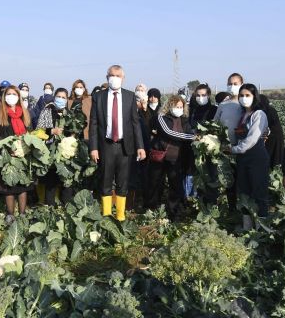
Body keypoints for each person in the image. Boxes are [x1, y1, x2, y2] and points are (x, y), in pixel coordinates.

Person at [89, 65, 146, 221]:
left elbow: (135, 123)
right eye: (111, 75)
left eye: (117, 75)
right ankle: (107, 216)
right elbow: (93, 123)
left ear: (123, 78)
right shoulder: (98, 96)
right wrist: (93, 147)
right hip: (106, 145)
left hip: (125, 145)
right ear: (107, 77)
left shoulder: (129, 96)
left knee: (123, 181)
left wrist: (140, 146)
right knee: (106, 181)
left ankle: (120, 216)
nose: (114, 78)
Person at [223, 84, 269, 230]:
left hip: (257, 158)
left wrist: (233, 149)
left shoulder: (259, 114)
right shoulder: (243, 115)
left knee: (258, 193)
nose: (244, 98)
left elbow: (252, 139)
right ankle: (247, 228)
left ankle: (262, 230)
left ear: (254, 97)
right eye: (242, 95)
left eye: (247, 95)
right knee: (244, 194)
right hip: (242, 159)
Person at [147, 95, 196, 219]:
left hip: (177, 158)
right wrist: (192, 137)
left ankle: (174, 212)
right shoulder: (161, 118)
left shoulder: (185, 120)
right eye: (176, 106)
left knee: (175, 185)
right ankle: (152, 208)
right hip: (161, 156)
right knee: (155, 182)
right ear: (169, 106)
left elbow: (190, 131)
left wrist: (195, 136)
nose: (178, 109)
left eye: (180, 107)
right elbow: (169, 133)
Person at [0, 85, 34, 223]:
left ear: (18, 97)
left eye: (14, 94)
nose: (11, 97)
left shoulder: (24, 113)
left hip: (23, 155)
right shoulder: (0, 113)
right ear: (4, 97)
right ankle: (10, 214)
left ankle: (22, 213)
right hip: (8, 154)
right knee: (9, 186)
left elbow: (30, 132)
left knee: (23, 185)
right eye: (9, 94)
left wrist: (26, 145)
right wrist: (9, 146)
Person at [37, 88, 78, 205]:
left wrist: (71, 138)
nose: (61, 99)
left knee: (67, 179)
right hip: (50, 150)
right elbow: (39, 131)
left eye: (63, 97)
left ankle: (66, 205)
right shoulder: (46, 111)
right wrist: (52, 131)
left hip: (65, 152)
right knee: (51, 181)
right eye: (58, 97)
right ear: (54, 97)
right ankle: (50, 205)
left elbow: (74, 130)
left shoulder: (70, 114)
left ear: (67, 100)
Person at [213, 73, 245, 210]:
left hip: (243, 148)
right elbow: (214, 124)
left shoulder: (246, 103)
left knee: (243, 181)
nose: (232, 86)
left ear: (242, 84)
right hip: (226, 149)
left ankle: (244, 209)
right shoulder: (223, 104)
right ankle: (232, 208)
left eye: (235, 84)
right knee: (229, 180)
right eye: (230, 83)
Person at [259, 95, 284, 168]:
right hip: (276, 135)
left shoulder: (268, 111)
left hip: (272, 136)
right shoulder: (270, 109)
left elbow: (267, 124)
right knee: (276, 155)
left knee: (272, 155)